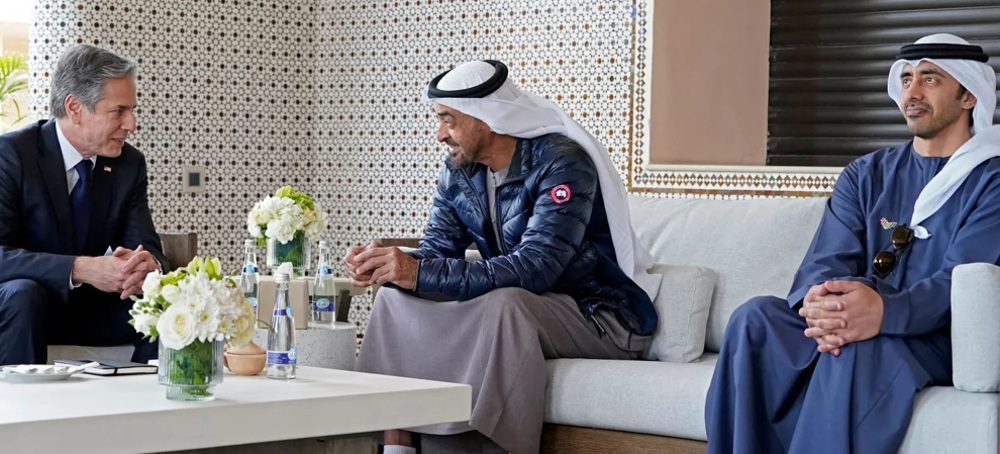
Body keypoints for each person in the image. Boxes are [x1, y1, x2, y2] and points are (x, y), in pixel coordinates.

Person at [345, 60, 662, 454]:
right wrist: (390, 265)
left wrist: (419, 271)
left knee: (506, 304)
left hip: (597, 312)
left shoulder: (562, 163)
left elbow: (536, 267)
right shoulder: (460, 170)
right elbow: (438, 251)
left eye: (448, 121)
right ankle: (398, 444)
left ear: (487, 118)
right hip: (525, 301)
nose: (440, 134)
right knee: (395, 297)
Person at [705, 33, 1000, 454]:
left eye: (930, 79)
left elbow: (959, 281)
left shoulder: (991, 179)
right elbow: (826, 260)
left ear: (969, 95)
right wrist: (830, 307)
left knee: (855, 350)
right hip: (856, 318)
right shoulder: (866, 173)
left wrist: (883, 312)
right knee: (755, 320)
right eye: (906, 79)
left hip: (932, 335)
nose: (912, 93)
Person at [0, 44, 166, 366]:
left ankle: (150, 397)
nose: (131, 124)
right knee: (24, 295)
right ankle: (22, 399)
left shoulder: (129, 164)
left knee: (165, 301)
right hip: (21, 305)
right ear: (75, 108)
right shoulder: (11, 155)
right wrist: (79, 268)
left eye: (132, 110)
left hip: (89, 308)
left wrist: (147, 266)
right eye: (119, 111)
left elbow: (146, 246)